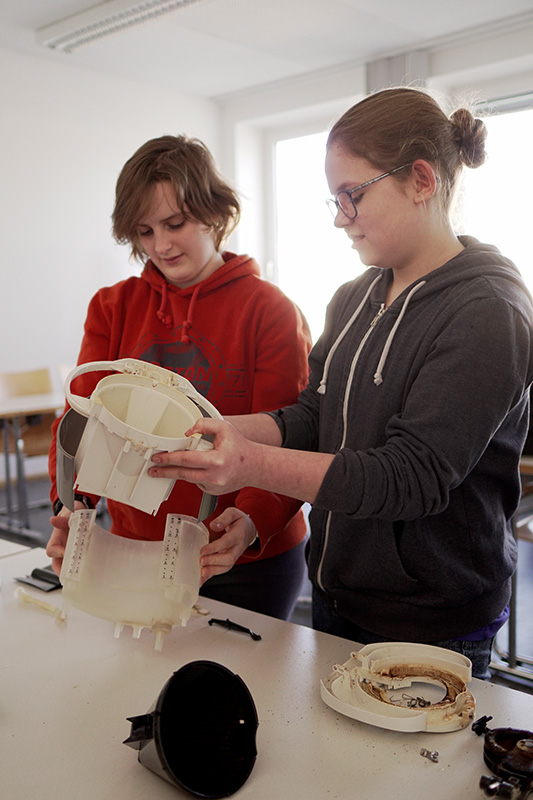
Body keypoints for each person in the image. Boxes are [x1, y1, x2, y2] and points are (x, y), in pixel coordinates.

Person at [147, 87, 533, 680]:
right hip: (337, 589)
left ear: (421, 180)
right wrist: (215, 429)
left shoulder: (488, 311)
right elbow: (311, 418)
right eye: (333, 199)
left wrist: (249, 466)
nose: (338, 217)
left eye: (351, 196)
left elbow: (412, 477)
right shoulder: (355, 297)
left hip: (430, 619)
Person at [46, 134, 312, 621]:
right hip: (136, 546)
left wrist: (254, 521)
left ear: (214, 213)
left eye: (175, 224)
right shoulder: (112, 306)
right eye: (144, 232)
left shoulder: (270, 310)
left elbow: (291, 432)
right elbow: (79, 421)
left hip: (243, 556)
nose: (160, 246)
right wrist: (71, 504)